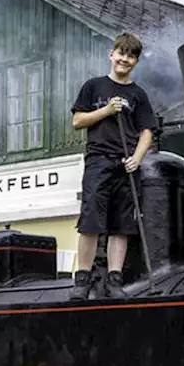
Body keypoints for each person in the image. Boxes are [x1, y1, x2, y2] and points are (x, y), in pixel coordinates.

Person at [69, 31, 158, 300]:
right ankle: (82, 280)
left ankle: (114, 279)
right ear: (112, 54)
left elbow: (147, 131)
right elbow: (77, 121)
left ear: (136, 62)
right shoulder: (93, 86)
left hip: (126, 165)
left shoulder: (138, 94)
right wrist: (106, 111)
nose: (125, 59)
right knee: (91, 221)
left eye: (131, 56)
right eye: (121, 53)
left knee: (122, 224)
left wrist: (137, 158)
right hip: (98, 161)